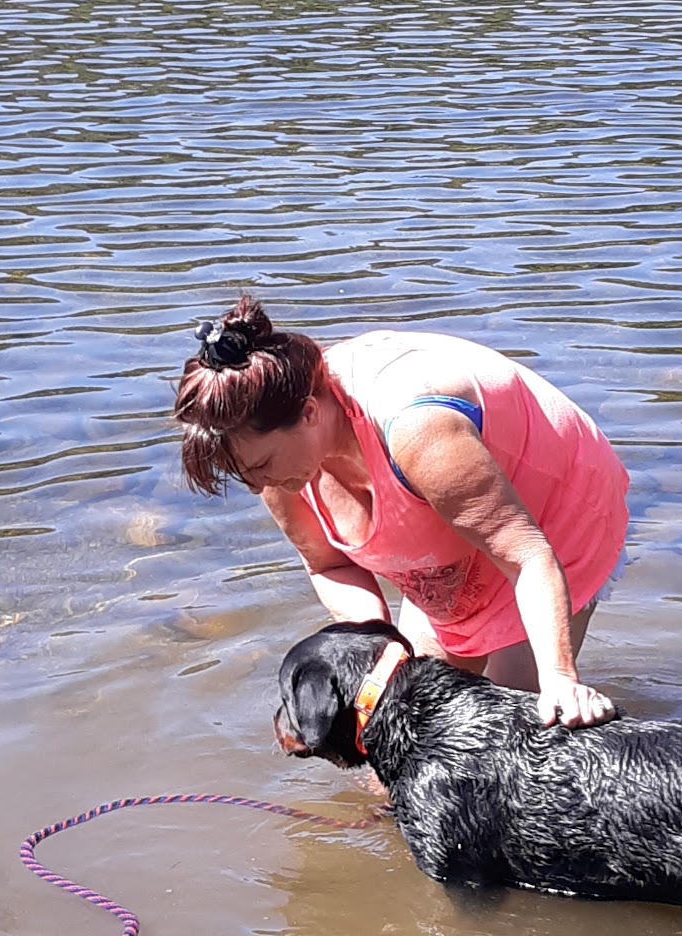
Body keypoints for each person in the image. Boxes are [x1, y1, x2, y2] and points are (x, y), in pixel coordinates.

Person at [173, 298, 628, 729]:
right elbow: (328, 564)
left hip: (549, 519)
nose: (256, 486)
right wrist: (379, 660)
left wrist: (561, 682)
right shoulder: (278, 469)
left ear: (309, 413)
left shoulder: (418, 427)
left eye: (259, 467)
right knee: (404, 733)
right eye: (242, 475)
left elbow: (526, 557)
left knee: (506, 729)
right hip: (446, 532)